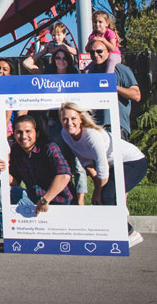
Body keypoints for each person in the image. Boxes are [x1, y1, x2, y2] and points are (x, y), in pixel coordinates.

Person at [59, 102, 147, 246]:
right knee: (103, 197)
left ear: (81, 119)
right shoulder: (65, 134)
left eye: (73, 118)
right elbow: (85, 161)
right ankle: (114, 229)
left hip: (133, 162)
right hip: (111, 166)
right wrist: (96, 187)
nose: (69, 123)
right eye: (65, 119)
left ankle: (131, 234)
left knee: (106, 195)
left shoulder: (92, 135)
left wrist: (98, 191)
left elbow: (102, 167)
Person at [7, 115, 74, 210]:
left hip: (61, 203)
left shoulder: (49, 147)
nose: (23, 136)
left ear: (37, 133)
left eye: (28, 131)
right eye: (19, 132)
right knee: (5, 191)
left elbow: (64, 175)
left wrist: (45, 200)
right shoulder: (16, 150)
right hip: (34, 200)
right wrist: (3, 171)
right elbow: (15, 182)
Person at [86, 39, 140, 138]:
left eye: (99, 51)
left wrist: (112, 87)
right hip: (95, 128)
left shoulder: (120, 69)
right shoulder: (90, 72)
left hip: (115, 126)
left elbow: (136, 95)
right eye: (92, 52)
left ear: (108, 51)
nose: (95, 54)